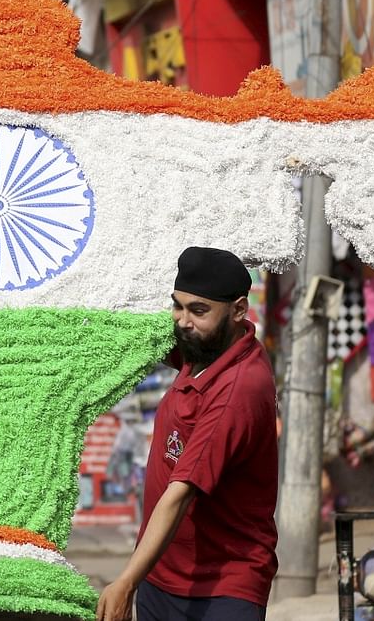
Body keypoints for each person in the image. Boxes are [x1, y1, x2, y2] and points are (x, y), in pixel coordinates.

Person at [96, 247, 278, 621]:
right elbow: (141, 337)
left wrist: (126, 582)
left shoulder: (238, 390)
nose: (182, 321)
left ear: (239, 310)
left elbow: (179, 495)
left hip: (223, 589)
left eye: (198, 310)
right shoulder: (207, 346)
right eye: (177, 306)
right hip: (162, 575)